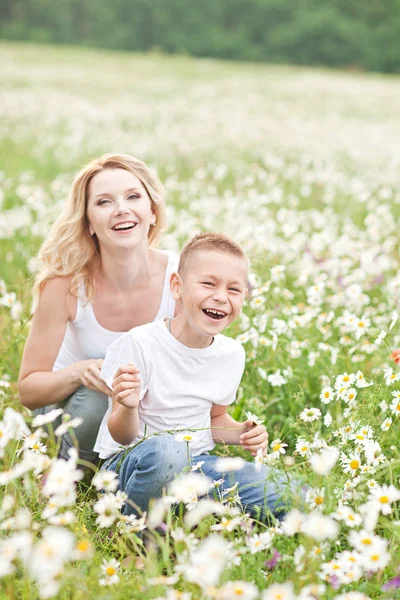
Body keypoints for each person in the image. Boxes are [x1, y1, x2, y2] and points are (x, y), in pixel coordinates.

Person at [95, 233, 299, 519]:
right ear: (177, 286)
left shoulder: (231, 354)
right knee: (170, 452)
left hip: (197, 467)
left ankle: (181, 510)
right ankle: (138, 534)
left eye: (234, 289)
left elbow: (215, 421)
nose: (221, 296)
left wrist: (242, 433)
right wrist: (127, 405)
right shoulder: (140, 344)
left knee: (293, 494)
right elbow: (122, 434)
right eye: (208, 283)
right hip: (129, 469)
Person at [18, 154, 179, 464]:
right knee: (100, 392)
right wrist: (79, 372)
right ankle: (69, 473)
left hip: (141, 412)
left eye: (133, 196)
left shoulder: (180, 278)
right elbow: (28, 390)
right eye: (104, 202)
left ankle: (120, 471)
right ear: (88, 223)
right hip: (69, 408)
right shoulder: (64, 285)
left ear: (153, 212)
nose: (121, 209)